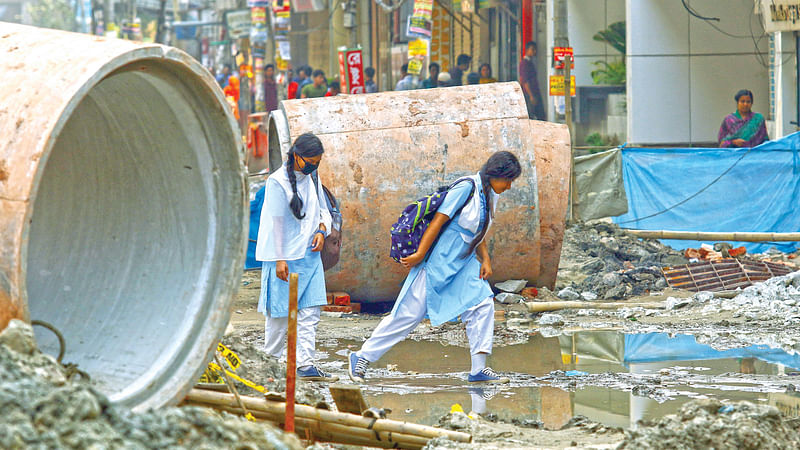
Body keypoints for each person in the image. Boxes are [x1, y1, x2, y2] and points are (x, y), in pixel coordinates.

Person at [347, 151, 523, 385]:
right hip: (439, 261)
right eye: (508, 180)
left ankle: (479, 370)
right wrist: (420, 254)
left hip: (464, 263)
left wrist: (486, 260)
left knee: (482, 304)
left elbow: (479, 230)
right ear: (495, 174)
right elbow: (439, 220)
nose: (510, 186)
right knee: (408, 315)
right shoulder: (466, 188)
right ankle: (362, 357)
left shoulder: (491, 194)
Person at [255, 132, 337, 382]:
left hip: (309, 256)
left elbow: (324, 209)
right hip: (284, 257)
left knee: (310, 312)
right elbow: (275, 222)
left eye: (317, 162)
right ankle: (269, 364)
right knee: (279, 317)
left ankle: (305, 365)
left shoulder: (311, 177)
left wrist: (322, 231)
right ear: (297, 156)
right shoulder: (277, 182)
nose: (314, 166)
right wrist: (280, 259)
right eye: (310, 161)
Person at [519, 41, 545, 120]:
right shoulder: (524, 63)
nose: (534, 52)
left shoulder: (530, 62)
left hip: (534, 92)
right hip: (530, 94)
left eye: (535, 50)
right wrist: (531, 95)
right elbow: (525, 81)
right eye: (532, 49)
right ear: (527, 50)